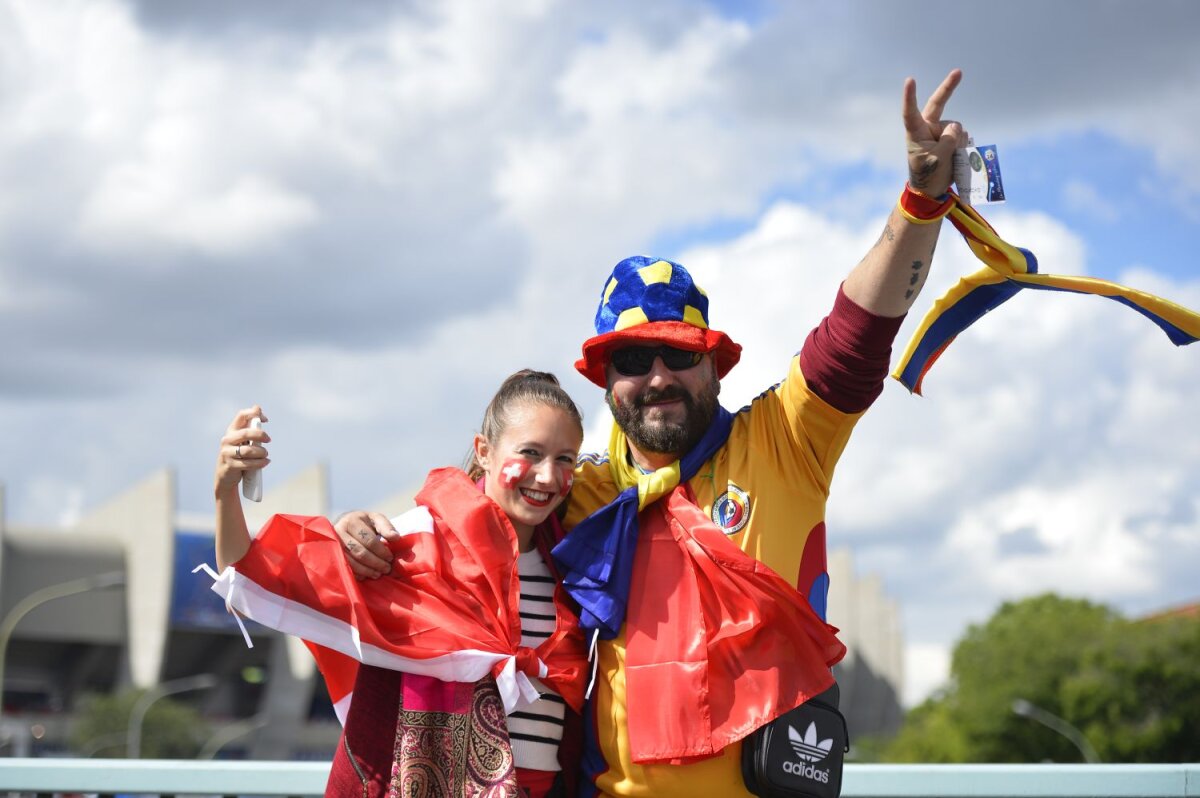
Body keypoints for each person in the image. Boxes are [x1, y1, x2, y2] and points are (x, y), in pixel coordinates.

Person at [335, 70, 970, 797]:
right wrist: (371, 536)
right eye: (634, 360)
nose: (658, 375)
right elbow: (468, 529)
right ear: (607, 383)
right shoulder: (585, 489)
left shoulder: (785, 442)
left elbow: (854, 337)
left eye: (680, 355)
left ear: (716, 367)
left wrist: (920, 204)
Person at [209, 371, 590, 798]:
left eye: (565, 459)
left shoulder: (576, 568)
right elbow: (248, 585)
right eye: (531, 453)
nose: (546, 476)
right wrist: (226, 491)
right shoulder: (412, 548)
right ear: (484, 451)